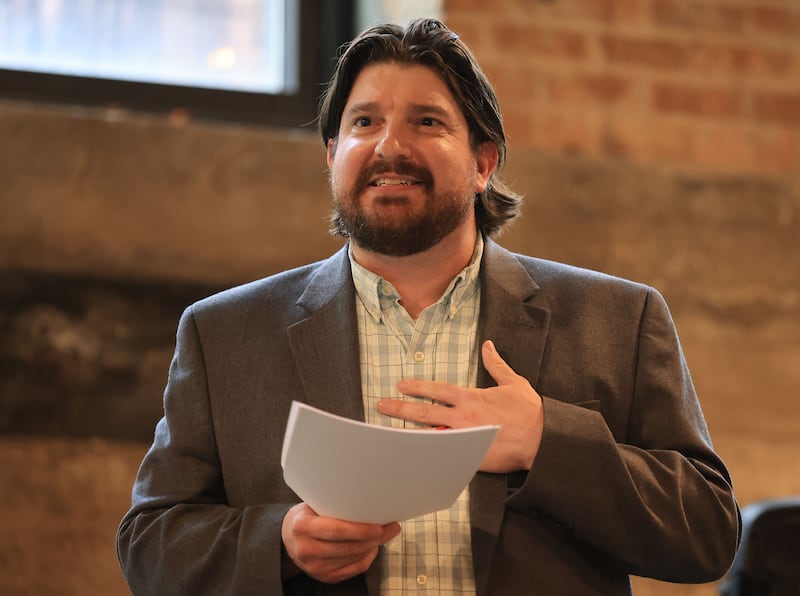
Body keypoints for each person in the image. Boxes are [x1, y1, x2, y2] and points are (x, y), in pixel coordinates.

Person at [117, 18, 740, 595]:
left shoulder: (619, 319)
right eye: (364, 122)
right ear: (332, 155)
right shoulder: (225, 334)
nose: (389, 145)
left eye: (427, 122)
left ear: (483, 163)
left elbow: (708, 533)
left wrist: (546, 441)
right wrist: (277, 541)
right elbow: (149, 545)